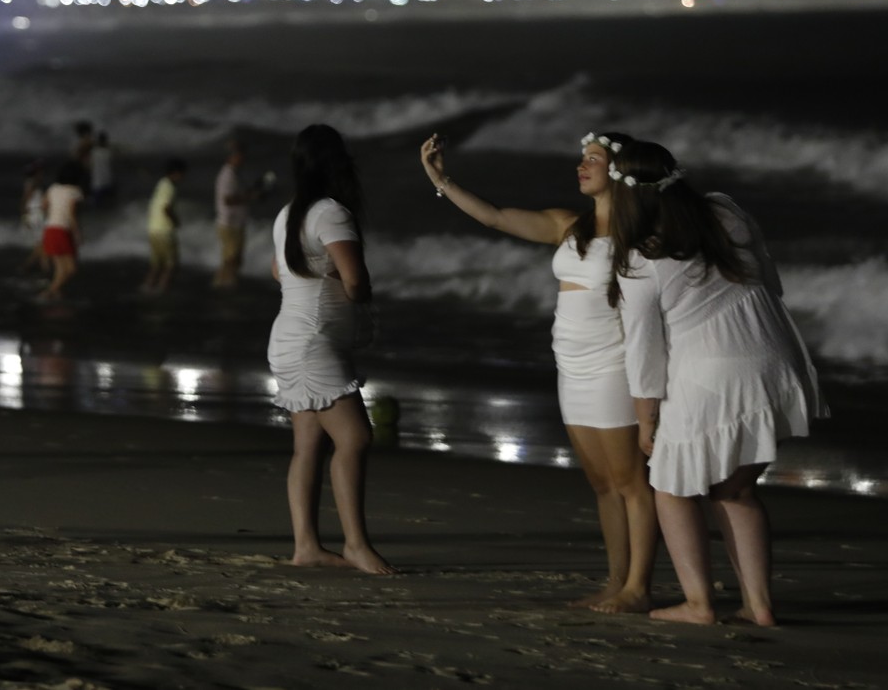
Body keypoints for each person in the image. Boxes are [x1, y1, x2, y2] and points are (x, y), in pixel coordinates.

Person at [420, 130, 656, 613]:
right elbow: (496, 216)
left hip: (615, 368)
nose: (581, 166)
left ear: (619, 173)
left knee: (631, 481)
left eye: (592, 159)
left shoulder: (642, 242)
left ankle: (639, 587)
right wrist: (443, 181)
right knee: (601, 483)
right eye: (581, 159)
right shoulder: (569, 226)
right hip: (570, 368)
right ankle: (615, 582)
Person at [607, 140, 826, 627]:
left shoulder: (642, 259)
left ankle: (700, 603)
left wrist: (647, 421)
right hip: (775, 355)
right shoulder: (725, 211)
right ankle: (759, 604)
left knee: (670, 485)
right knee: (736, 490)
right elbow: (770, 279)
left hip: (714, 371)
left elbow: (645, 351)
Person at [268, 124, 392, 575]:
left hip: (289, 337)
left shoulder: (287, 214)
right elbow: (356, 281)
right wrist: (355, 290)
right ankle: (356, 545)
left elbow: (280, 275)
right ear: (339, 163)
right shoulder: (332, 213)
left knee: (308, 445)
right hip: (314, 340)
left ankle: (306, 546)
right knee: (355, 437)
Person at [213, 138, 267, 290]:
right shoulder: (228, 175)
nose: (243, 158)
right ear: (232, 156)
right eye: (240, 155)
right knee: (231, 258)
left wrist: (252, 191)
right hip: (229, 223)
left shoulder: (233, 174)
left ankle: (224, 283)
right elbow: (228, 200)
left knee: (233, 258)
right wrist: (251, 197)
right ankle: (225, 284)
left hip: (233, 222)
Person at [38, 160, 84, 300]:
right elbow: (71, 214)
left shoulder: (53, 188)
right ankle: (49, 292)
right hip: (62, 231)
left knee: (60, 268)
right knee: (71, 269)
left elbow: (43, 206)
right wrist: (77, 233)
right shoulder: (75, 192)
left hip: (50, 229)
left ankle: (55, 292)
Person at [141, 158, 187, 294]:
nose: (183, 177)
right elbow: (166, 208)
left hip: (153, 229)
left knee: (156, 264)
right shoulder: (171, 187)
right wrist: (176, 220)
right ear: (177, 173)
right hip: (164, 231)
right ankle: (162, 290)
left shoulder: (161, 183)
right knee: (171, 266)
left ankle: (147, 287)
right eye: (182, 174)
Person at [18, 159, 50, 275]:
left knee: (40, 244)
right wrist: (24, 214)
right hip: (36, 215)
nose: (42, 173)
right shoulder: (32, 183)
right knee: (42, 244)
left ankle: (41, 266)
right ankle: (41, 267)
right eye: (40, 171)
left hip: (34, 214)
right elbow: (25, 200)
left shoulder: (30, 183)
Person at [89, 131, 115, 207]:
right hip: (108, 181)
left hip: (97, 183)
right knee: (110, 205)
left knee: (97, 205)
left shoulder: (93, 152)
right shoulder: (108, 152)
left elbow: (90, 165)